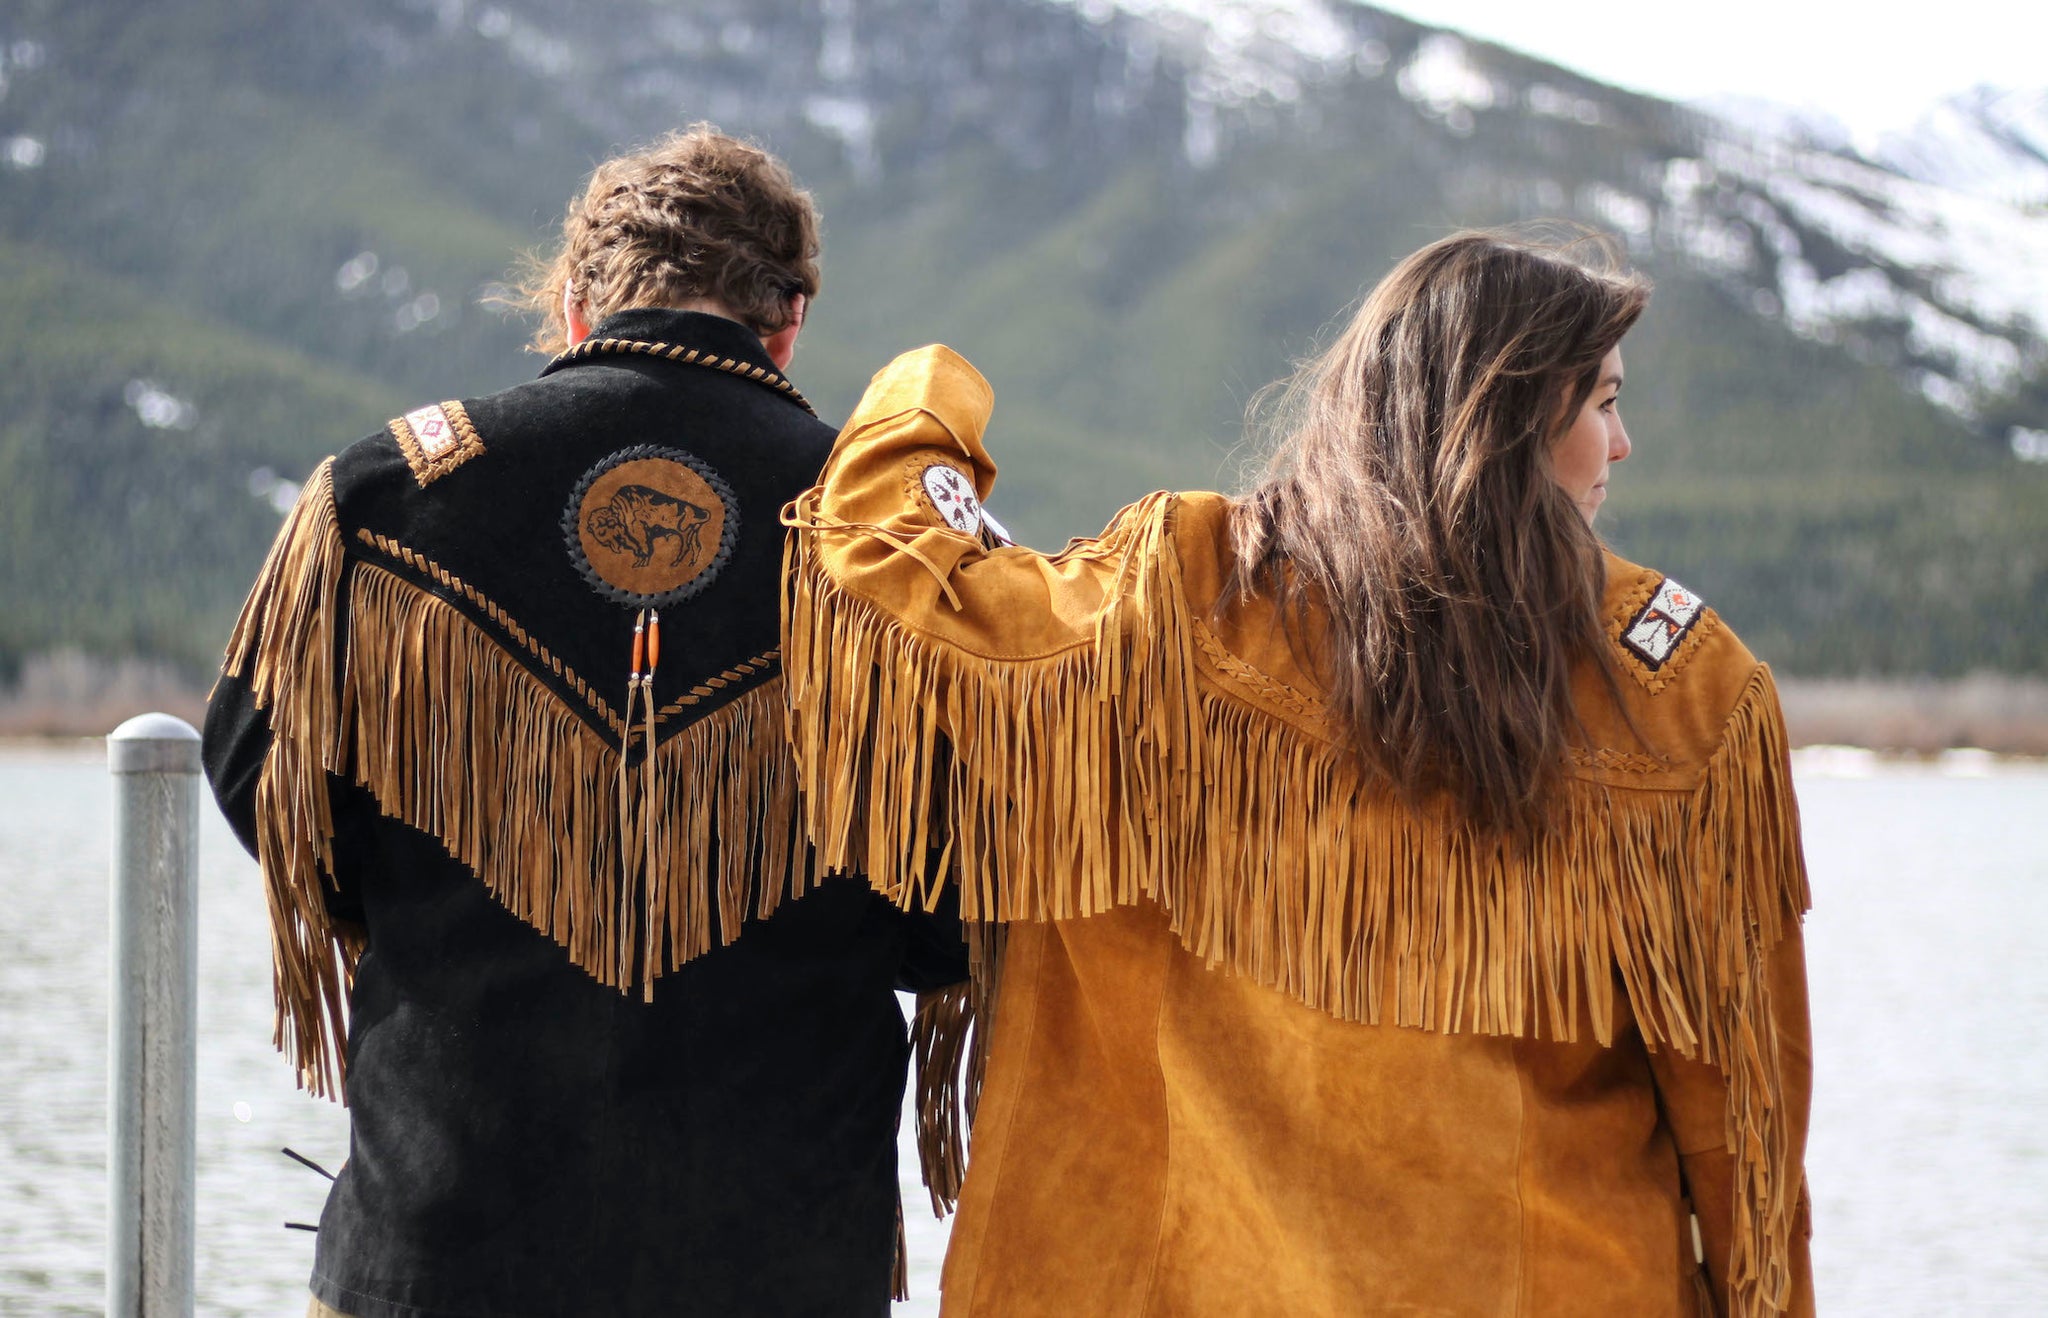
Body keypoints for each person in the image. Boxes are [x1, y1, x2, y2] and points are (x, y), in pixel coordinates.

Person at [780, 230, 1814, 1315]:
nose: (1622, 442)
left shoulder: (1175, 607)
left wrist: (920, 402)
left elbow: (890, 594)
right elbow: (1744, 1123)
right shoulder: (1682, 689)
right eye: (1601, 401)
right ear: (1506, 416)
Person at [204, 124, 963, 1318]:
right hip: (776, 1263)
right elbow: (966, 905)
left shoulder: (386, 499)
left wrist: (465, 890)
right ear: (788, 321)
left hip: (436, 1255)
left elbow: (268, 792)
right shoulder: (896, 544)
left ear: (571, 303)